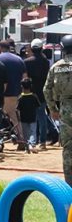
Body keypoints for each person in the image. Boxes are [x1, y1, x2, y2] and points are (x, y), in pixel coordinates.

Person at [44, 35, 72, 185]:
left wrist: (52, 109)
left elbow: (46, 90)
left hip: (65, 109)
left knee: (68, 147)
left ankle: (69, 183)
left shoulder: (56, 67)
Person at [25, 38, 56, 149]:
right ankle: (42, 141)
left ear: (32, 49)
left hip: (31, 92)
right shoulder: (45, 61)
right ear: (41, 48)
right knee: (42, 116)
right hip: (42, 91)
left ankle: (34, 140)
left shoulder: (27, 62)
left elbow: (26, 78)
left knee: (32, 118)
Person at [0, 40, 27, 141]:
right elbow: (25, 77)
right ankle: (21, 138)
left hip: (0, 93)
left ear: (0, 48)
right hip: (15, 91)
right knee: (14, 116)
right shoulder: (18, 59)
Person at [17, 79, 41, 152]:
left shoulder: (20, 97)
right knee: (33, 131)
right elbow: (38, 106)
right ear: (31, 86)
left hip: (23, 118)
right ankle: (32, 145)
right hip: (33, 117)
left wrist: (18, 118)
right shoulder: (34, 96)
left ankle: (27, 145)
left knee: (25, 132)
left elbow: (17, 109)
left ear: (22, 86)